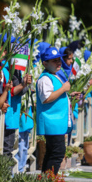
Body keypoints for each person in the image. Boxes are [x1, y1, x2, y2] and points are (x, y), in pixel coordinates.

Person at [36, 47, 80, 175]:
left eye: (59, 60)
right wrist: (63, 89)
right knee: (57, 152)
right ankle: (49, 180)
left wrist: (69, 95)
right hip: (51, 122)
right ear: (45, 63)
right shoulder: (45, 79)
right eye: (54, 61)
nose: (58, 62)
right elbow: (46, 98)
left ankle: (46, 180)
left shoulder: (54, 76)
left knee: (52, 152)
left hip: (56, 122)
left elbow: (55, 95)